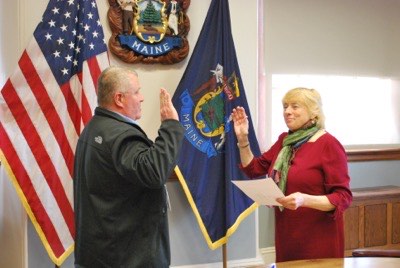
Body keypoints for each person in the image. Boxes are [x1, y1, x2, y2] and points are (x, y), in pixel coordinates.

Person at [73, 66, 184, 267]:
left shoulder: (94, 128)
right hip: (126, 257)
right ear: (119, 99)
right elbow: (154, 172)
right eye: (136, 92)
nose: (141, 98)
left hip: (101, 253)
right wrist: (170, 126)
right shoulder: (120, 136)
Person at [231, 87, 352, 262]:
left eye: (295, 106)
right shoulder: (284, 141)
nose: (287, 111)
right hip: (286, 234)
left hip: (318, 239)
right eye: (285, 106)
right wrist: (243, 138)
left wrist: (304, 200)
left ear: (313, 112)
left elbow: (343, 197)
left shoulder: (329, 144)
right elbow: (253, 168)